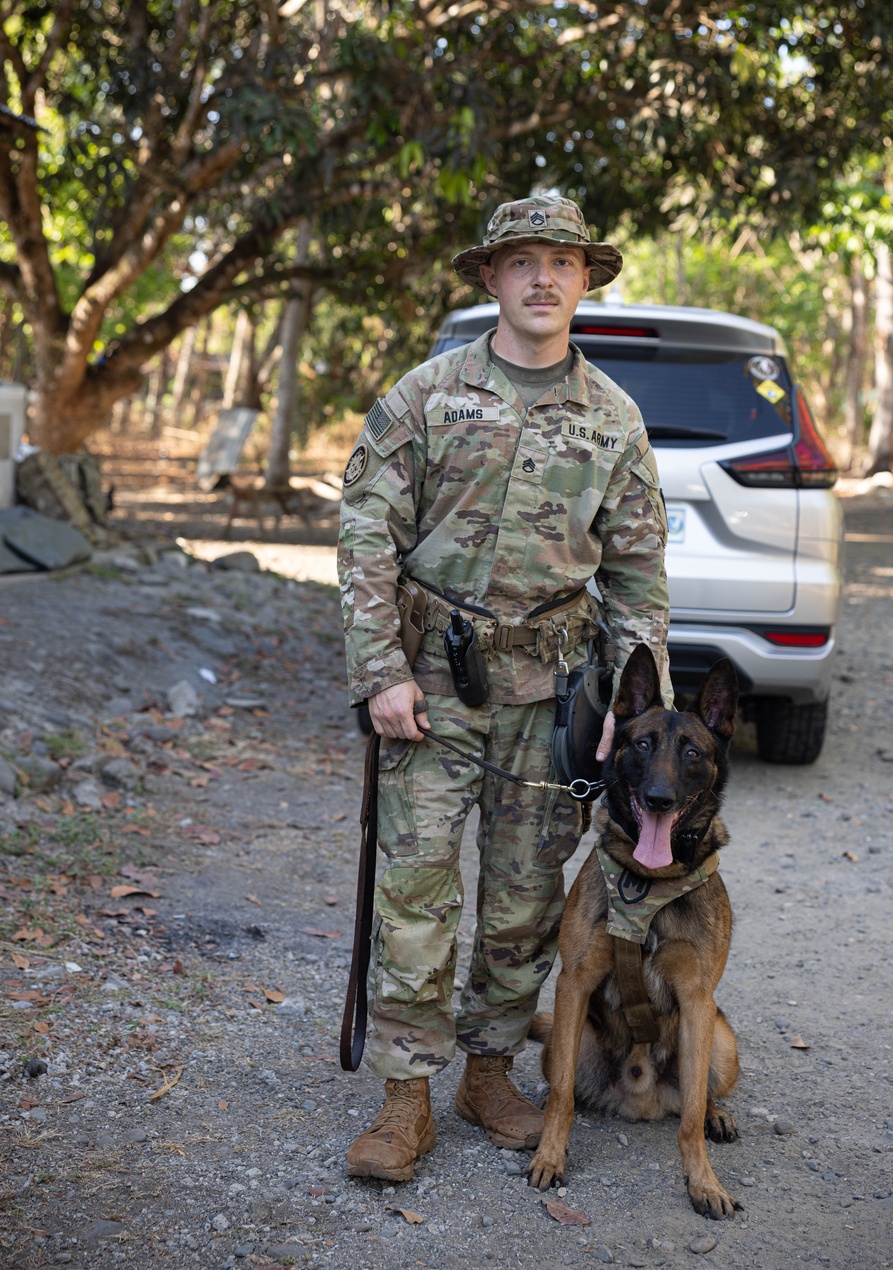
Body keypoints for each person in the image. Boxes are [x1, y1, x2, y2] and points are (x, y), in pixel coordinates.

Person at [337, 195, 672, 1182]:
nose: (541, 278)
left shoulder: (613, 418)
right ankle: (406, 1103)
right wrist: (379, 674)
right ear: (489, 278)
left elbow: (638, 578)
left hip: (553, 699)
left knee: (525, 899)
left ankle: (487, 1074)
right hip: (429, 689)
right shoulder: (425, 397)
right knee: (414, 894)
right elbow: (365, 539)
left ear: (583, 280)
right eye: (520, 261)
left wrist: (632, 706)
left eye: (560, 262)